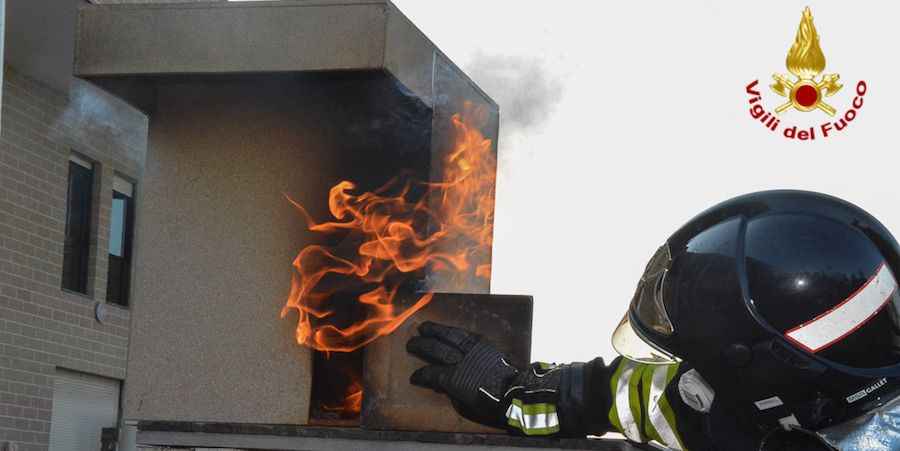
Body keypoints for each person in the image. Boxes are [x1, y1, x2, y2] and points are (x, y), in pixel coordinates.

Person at [407, 190, 900, 451]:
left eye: (708, 372)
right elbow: (663, 402)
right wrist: (522, 395)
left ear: (773, 381)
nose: (693, 383)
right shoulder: (786, 408)